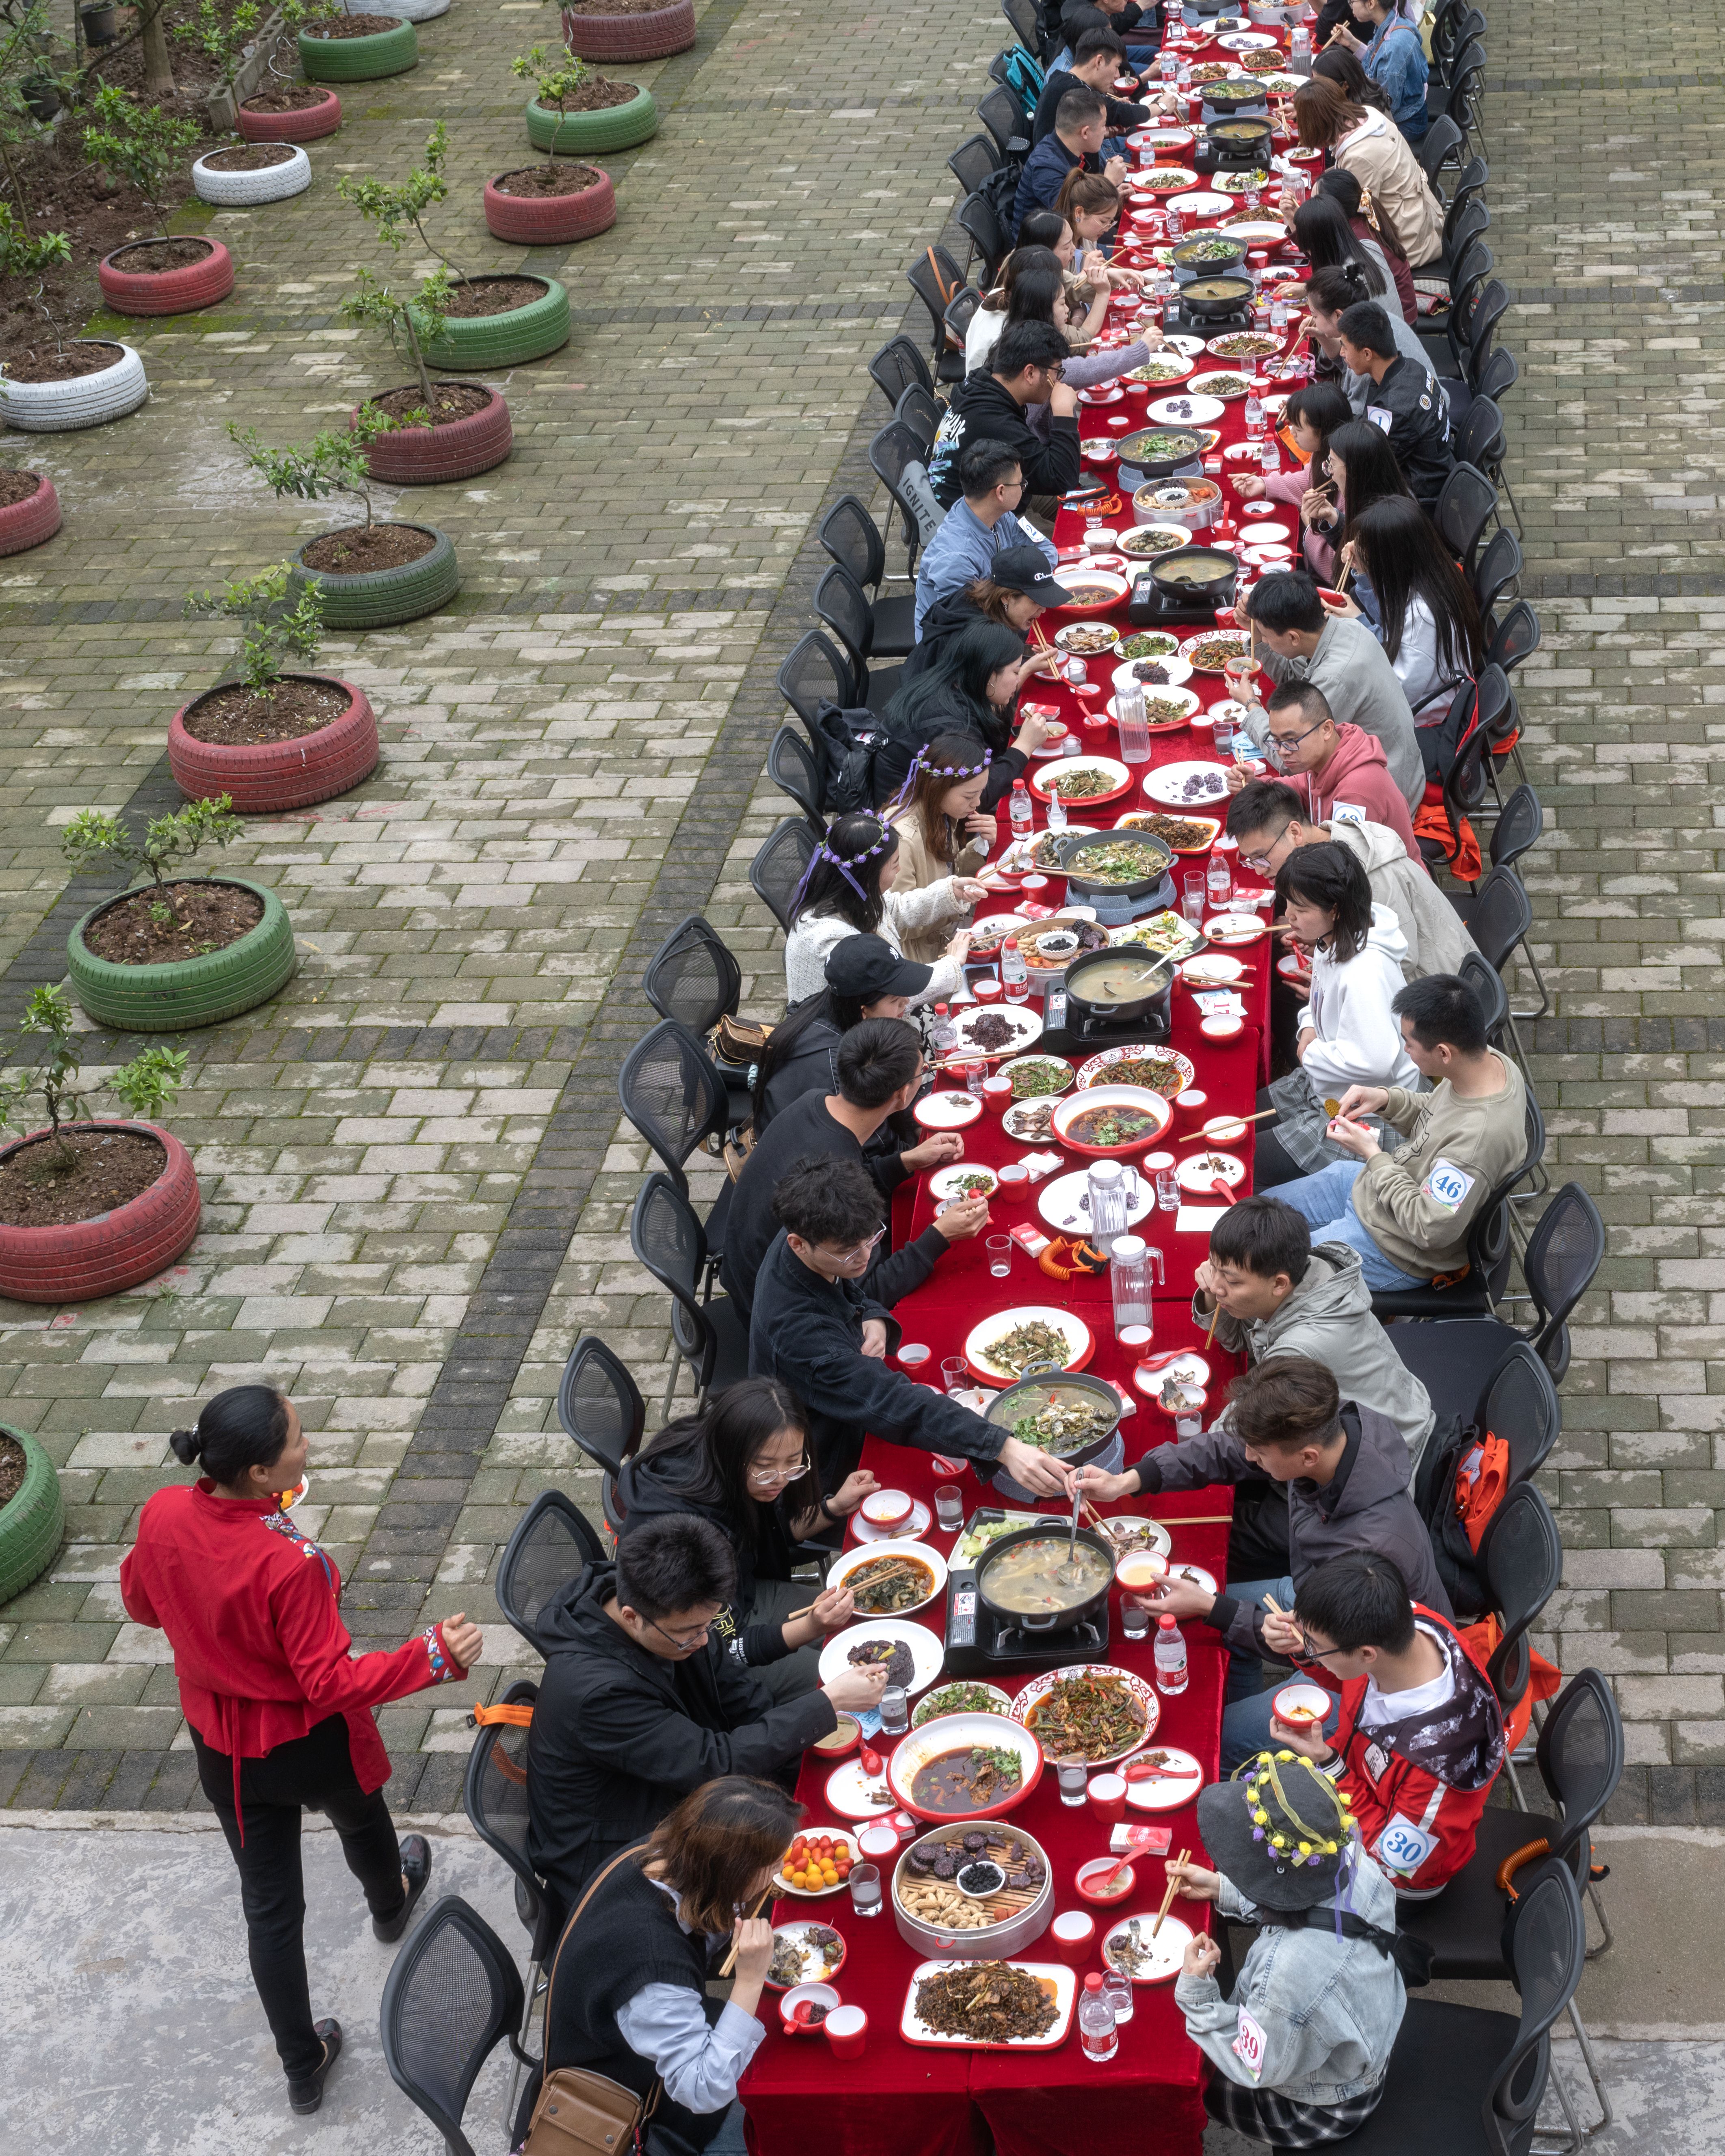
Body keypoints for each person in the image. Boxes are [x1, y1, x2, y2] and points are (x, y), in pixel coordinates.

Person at [119, 1386, 482, 2115]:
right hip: (311, 1744)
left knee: (270, 1910)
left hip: (224, 1753)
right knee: (360, 1818)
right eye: (296, 1439)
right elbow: (328, 1682)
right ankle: (390, 1901)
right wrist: (432, 1656)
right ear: (259, 1472)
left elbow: (140, 1605)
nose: (307, 1446)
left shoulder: (160, 1513)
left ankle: (302, 2065)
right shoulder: (295, 1562)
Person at [1072, 1357, 1453, 1769]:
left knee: (1213, 1739)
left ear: (1307, 1458)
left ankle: (1241, 1769)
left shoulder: (1368, 1550)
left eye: (1260, 1452)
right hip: (1317, 1600)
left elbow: (1322, 1651)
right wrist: (1128, 1481)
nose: (1250, 1457)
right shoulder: (1334, 1434)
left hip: (1368, 1672)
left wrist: (1211, 1606)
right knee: (1213, 1605)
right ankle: (1240, 1699)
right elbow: (1230, 1449)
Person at [526, 1512, 884, 1923]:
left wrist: (804, 1760)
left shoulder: (665, 1609)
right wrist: (827, 1703)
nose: (704, 1639)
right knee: (821, 1901)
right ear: (631, 1618)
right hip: (625, 1857)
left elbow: (739, 1694)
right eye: (692, 1631)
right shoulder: (595, 1693)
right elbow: (712, 1764)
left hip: (680, 1789)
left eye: (710, 1624)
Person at [749, 1154, 1069, 1495]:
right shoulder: (803, 1334)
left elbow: (852, 1287)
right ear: (797, 1243)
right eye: (848, 1252)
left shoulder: (814, 1222)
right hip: (820, 1457)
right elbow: (893, 1402)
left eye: (871, 1239)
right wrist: (1004, 1448)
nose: (865, 1257)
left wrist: (873, 1314)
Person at [525, 1777, 800, 2156]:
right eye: (772, 1866)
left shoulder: (660, 1855)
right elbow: (703, 2091)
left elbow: (701, 1924)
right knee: (800, 2105)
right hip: (638, 2115)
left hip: (638, 2047)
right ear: (733, 1877)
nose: (781, 1870)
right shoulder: (653, 1972)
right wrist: (750, 1978)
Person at [1170, 1756, 1407, 2145]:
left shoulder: (1284, 1975)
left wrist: (1199, 1997)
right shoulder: (1354, 1860)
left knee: (1179, 2076)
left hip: (1325, 2105)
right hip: (1360, 2040)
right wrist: (1224, 1888)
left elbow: (1256, 2066)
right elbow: (1309, 1904)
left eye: (1244, 1865)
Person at [1274, 972, 1530, 1292]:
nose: (1404, 1049)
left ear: (1443, 1053)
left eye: (1409, 1043)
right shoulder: (1487, 1063)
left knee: (1271, 1275)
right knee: (1257, 1223)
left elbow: (1428, 1226)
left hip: (1395, 1248)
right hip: (1375, 1190)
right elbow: (1436, 1111)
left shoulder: (1479, 1142)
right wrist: (1385, 1099)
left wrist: (1373, 1155)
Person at [1272, 1552, 1506, 1899]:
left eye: (1315, 1646)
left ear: (1367, 1655)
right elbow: (1348, 1674)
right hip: (1351, 1779)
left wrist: (1330, 1766)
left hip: (1398, 1883)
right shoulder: (1409, 1621)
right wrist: (1308, 1650)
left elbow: (1393, 1868)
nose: (1308, 1649)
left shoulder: (1440, 1764)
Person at [615, 1381, 867, 1702]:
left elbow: (770, 1535)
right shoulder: (688, 1535)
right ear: (729, 1449)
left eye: (794, 1462)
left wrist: (833, 1508)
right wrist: (811, 1626)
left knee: (859, 1619)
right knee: (844, 1675)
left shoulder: (722, 1465)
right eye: (764, 1467)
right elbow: (726, 1647)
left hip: (747, 1594)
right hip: (707, 1648)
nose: (780, 1479)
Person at [722, 1016, 986, 1318]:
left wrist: (907, 1161)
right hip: (781, 1314)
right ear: (902, 1095)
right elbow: (867, 1291)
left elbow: (855, 1176)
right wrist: (940, 1236)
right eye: (922, 1072)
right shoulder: (832, 1171)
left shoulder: (815, 1102)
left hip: (746, 1271)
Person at [1191, 1193, 1435, 1493]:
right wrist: (1210, 1293)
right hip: (1403, 1415)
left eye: (1232, 1280)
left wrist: (1150, 1471)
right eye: (1213, 1268)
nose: (1217, 1286)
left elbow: (1231, 1436)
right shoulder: (1312, 1271)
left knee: (1246, 1511)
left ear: (1279, 1284)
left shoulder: (1300, 1349)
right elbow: (1242, 1338)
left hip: (1388, 1467)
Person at [1257, 840, 1422, 1186]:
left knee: (1248, 1162)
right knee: (1237, 1119)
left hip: (1362, 1116)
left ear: (1334, 909)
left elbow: (1374, 1061)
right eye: (1288, 902)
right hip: (1327, 1088)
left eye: (1300, 908)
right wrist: (1307, 1030)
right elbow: (1319, 1003)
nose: (1288, 915)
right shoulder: (1335, 939)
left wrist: (1310, 1052)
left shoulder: (1364, 972)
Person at [1226, 778, 1478, 980]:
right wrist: (1320, 937)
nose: (1259, 871)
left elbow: (1402, 960)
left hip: (1439, 992)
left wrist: (1324, 979)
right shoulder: (1327, 846)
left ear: (1295, 832)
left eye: (1262, 857)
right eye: (1251, 861)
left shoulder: (1367, 874)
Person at [1238, 570, 1424, 815]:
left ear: (1294, 637)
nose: (1266, 641)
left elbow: (1289, 757)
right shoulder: (1343, 628)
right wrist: (1258, 638)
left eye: (1268, 637)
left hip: (1379, 799)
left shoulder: (1336, 677)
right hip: (1398, 770)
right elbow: (1296, 679)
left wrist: (1251, 706)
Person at [781, 812, 979, 1007]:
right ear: (869, 874)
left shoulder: (853, 894)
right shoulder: (834, 944)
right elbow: (890, 1002)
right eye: (894, 864)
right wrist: (952, 965)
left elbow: (893, 909)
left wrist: (949, 892)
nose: (899, 870)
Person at [751, 935, 932, 1133]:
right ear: (863, 1011)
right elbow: (869, 1145)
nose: (906, 1002)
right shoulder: (844, 1070)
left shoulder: (828, 1003)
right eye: (895, 999)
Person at [874, 616, 1058, 809]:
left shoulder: (953, 681)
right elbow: (978, 797)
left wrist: (1027, 669)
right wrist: (1025, 745)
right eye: (1015, 672)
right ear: (988, 674)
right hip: (905, 813)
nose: (1017, 679)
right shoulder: (954, 727)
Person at [1330, 493, 1485, 720]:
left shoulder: (1424, 615)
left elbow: (1398, 690)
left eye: (1367, 552)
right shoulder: (1431, 575)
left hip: (1423, 720)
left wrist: (1361, 625)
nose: (1355, 550)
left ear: (1391, 559)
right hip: (1422, 695)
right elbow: (1389, 622)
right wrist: (1363, 573)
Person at [1235, 681, 1420, 858]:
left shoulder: (1356, 792)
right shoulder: (1328, 757)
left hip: (1393, 886)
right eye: (1277, 741)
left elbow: (1347, 866)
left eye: (1291, 741)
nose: (1283, 751)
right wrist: (1256, 785)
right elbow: (1299, 787)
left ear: (1326, 729)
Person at [925, 320, 1081, 510]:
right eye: (1057, 371)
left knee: (1088, 502)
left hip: (999, 495)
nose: (1058, 380)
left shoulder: (983, 381)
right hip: (978, 528)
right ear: (1030, 373)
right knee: (1079, 525)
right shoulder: (995, 422)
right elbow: (1062, 477)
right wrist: (1064, 414)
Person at [1294, 75, 1444, 267]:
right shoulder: (1367, 115)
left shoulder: (1359, 157)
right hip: (1420, 220)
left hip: (1408, 244)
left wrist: (1308, 209)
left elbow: (1356, 218)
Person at [914, 441, 1060, 633]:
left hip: (999, 619)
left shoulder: (998, 513)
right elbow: (970, 630)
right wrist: (1020, 587)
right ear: (1001, 492)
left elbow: (1047, 551)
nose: (1024, 488)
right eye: (1021, 483)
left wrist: (1012, 589)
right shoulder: (956, 559)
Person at [1229, 380, 1353, 583]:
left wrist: (1309, 527)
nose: (1292, 432)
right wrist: (1265, 484)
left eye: (1299, 428)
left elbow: (1336, 570)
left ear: (1323, 431)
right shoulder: (1327, 456)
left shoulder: (1346, 479)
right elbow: (1307, 479)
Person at [1336, 300, 1456, 510]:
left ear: (1367, 354)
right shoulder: (1411, 367)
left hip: (1418, 505)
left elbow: (1366, 471)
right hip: (1440, 472)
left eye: (1345, 347)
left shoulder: (1393, 410)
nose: (1341, 354)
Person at [905, 547, 1075, 685]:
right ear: (1006, 596)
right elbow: (988, 702)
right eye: (1035, 601)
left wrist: (1029, 652)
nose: (1043, 610)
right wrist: (1027, 669)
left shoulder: (990, 604)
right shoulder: (978, 635)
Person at [1301, 266, 1444, 423]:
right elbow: (1346, 363)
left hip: (1422, 420)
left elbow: (1352, 422)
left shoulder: (1365, 360)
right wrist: (1322, 335)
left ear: (1337, 316)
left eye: (1315, 316)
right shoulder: (1375, 318)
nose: (1313, 320)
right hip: (1431, 405)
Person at [886, 732, 995, 929]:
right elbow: (896, 920)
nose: (977, 803)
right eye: (969, 796)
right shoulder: (903, 839)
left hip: (945, 935)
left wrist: (981, 846)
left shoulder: (941, 813)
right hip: (923, 953)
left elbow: (943, 874)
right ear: (938, 788)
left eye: (981, 792)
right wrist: (950, 898)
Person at [1012, 86, 1128, 236]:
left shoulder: (1063, 148)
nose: (1105, 131)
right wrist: (1109, 183)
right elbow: (1072, 217)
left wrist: (1113, 197)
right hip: (1044, 250)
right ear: (1085, 133)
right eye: (1103, 126)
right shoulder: (1046, 167)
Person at [1316, 166, 1418, 325]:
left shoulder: (1356, 240)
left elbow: (1343, 286)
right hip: (1402, 316)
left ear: (1334, 210)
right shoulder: (1363, 218)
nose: (1312, 207)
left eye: (1317, 202)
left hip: (1401, 325)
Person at [1031, 26, 1151, 146]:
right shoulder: (1075, 93)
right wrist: (1162, 105)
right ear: (1099, 62)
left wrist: (1102, 133)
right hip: (1071, 165)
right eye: (1116, 67)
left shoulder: (1062, 78)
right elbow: (1123, 114)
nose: (1117, 75)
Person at [1291, 194, 1401, 320]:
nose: (1310, 254)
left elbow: (1337, 335)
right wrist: (1307, 288)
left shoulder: (1343, 283)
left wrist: (1315, 311)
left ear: (1320, 247)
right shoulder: (1368, 245)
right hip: (1403, 335)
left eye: (1309, 249)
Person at [1336, 0, 1429, 142]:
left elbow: (1385, 108)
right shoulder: (1394, 21)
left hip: (1406, 124)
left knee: (1342, 135)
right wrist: (1352, 43)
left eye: (1351, 2)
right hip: (1404, 113)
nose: (1351, 6)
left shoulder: (1393, 47)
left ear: (1371, 4)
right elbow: (1375, 58)